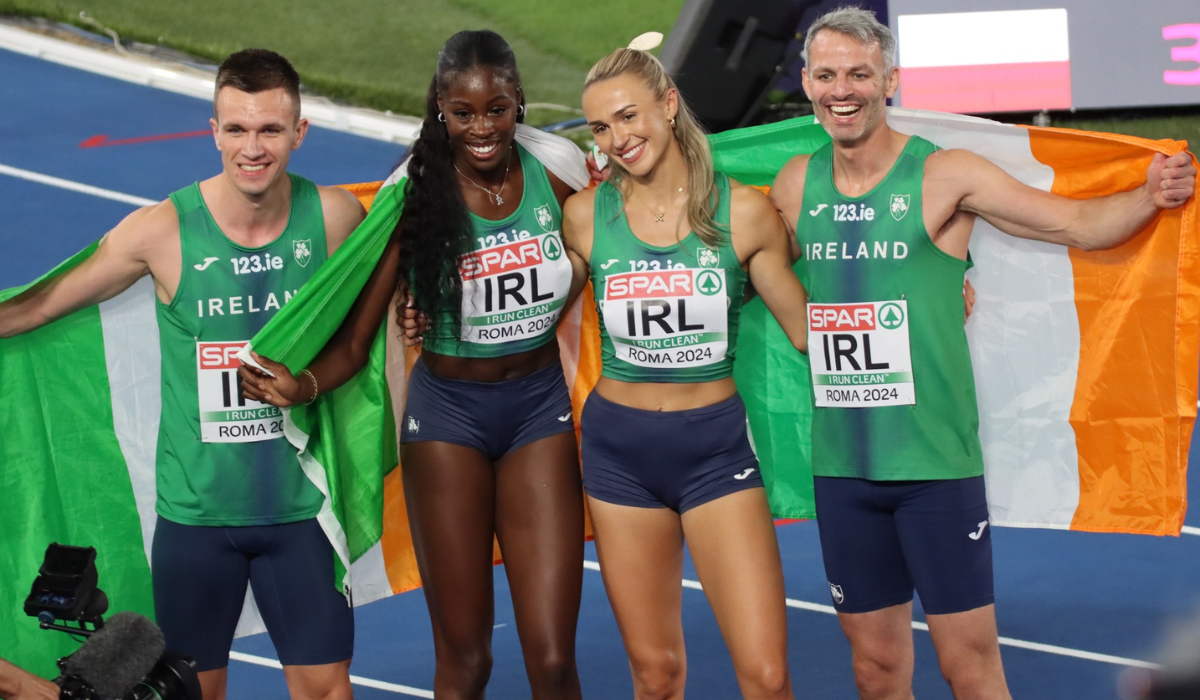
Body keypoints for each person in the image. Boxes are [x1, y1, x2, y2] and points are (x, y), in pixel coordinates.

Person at [768, 8, 1196, 700]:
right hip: (842, 469)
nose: (840, 90)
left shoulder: (946, 175)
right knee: (874, 670)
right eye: (825, 75)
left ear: (890, 81)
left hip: (935, 470)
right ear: (807, 82)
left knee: (969, 669)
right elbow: (739, 253)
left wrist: (1148, 194)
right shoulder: (795, 184)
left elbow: (1077, 225)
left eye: (858, 74)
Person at [0, 49, 365, 700]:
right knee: (189, 695)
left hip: (301, 512)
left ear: (300, 132)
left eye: (270, 129)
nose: (252, 148)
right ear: (214, 131)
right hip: (196, 525)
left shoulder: (336, 220)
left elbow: (379, 314)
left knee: (327, 691)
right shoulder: (160, 232)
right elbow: (41, 305)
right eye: (237, 129)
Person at [239, 30, 588, 700]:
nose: (481, 129)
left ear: (519, 101)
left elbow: (613, 243)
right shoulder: (417, 192)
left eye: (497, 110)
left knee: (551, 662)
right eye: (463, 113)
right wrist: (303, 384)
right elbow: (357, 336)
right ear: (439, 109)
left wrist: (557, 290)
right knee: (467, 660)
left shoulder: (560, 170)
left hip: (537, 414)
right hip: (448, 424)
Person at [561, 48, 810, 700]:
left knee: (767, 677)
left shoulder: (744, 213)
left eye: (628, 116)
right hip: (619, 456)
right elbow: (526, 316)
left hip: (714, 453)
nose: (618, 139)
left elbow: (807, 329)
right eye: (601, 128)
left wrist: (920, 299)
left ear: (669, 104)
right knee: (656, 677)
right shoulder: (585, 217)